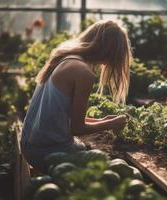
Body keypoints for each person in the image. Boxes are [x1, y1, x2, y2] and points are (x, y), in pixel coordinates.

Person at [20, 20, 132, 171]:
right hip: (47, 151)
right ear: (110, 52)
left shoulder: (66, 58)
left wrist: (102, 120)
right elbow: (77, 128)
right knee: (107, 168)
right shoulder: (83, 72)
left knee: (87, 151)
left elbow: (65, 117)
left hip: (30, 145)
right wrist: (110, 124)